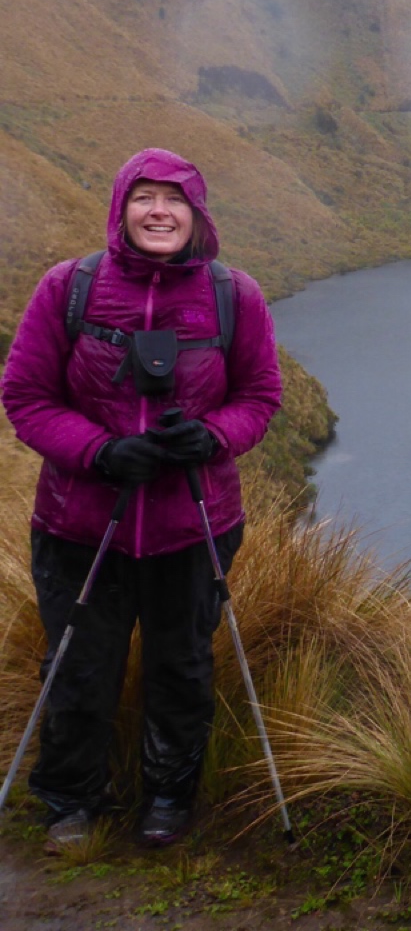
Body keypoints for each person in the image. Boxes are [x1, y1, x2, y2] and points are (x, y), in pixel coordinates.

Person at [1, 148, 281, 850]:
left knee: (181, 667)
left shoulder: (234, 295)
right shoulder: (69, 288)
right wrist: (100, 452)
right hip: (78, 524)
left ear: (198, 213)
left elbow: (259, 396)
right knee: (79, 666)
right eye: (144, 197)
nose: (160, 211)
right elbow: (26, 396)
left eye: (175, 198)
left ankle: (168, 798)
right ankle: (70, 800)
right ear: (120, 209)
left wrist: (211, 436)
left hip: (193, 523)